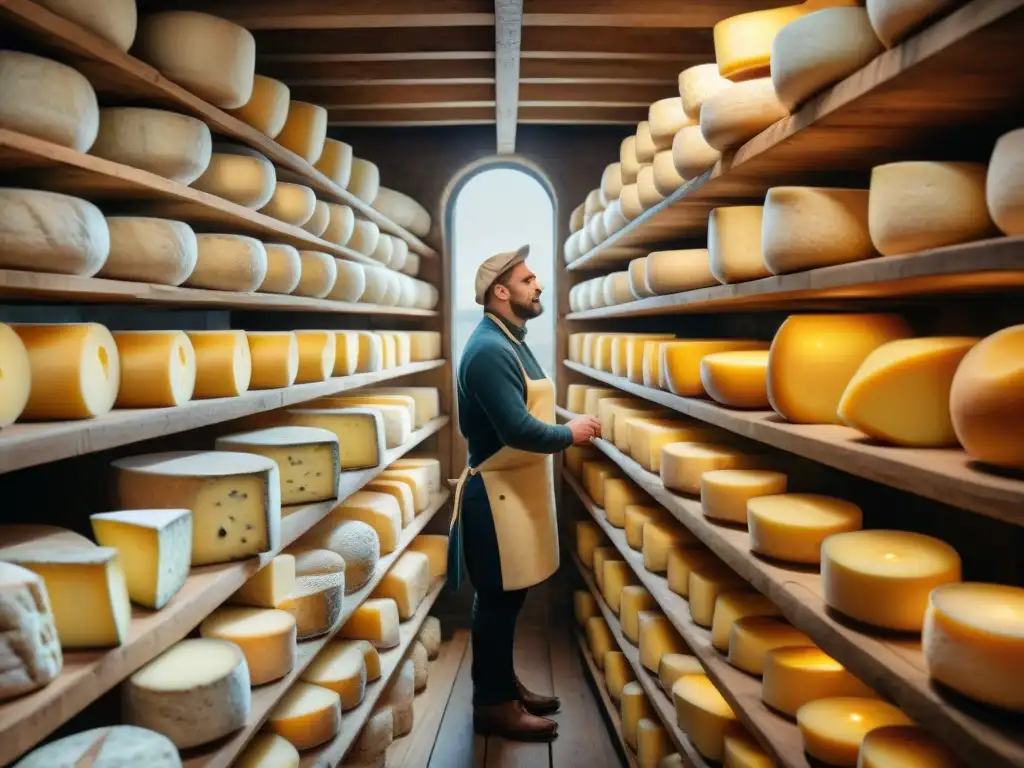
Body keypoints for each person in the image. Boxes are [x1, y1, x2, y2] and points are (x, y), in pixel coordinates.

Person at [447, 244, 601, 742]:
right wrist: (569, 436)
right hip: (494, 496)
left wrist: (565, 419)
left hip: (513, 491)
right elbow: (516, 428)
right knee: (497, 599)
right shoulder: (489, 350)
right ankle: (492, 704)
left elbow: (530, 404)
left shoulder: (511, 337)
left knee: (507, 600)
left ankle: (502, 685)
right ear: (501, 292)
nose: (538, 285)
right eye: (528, 279)